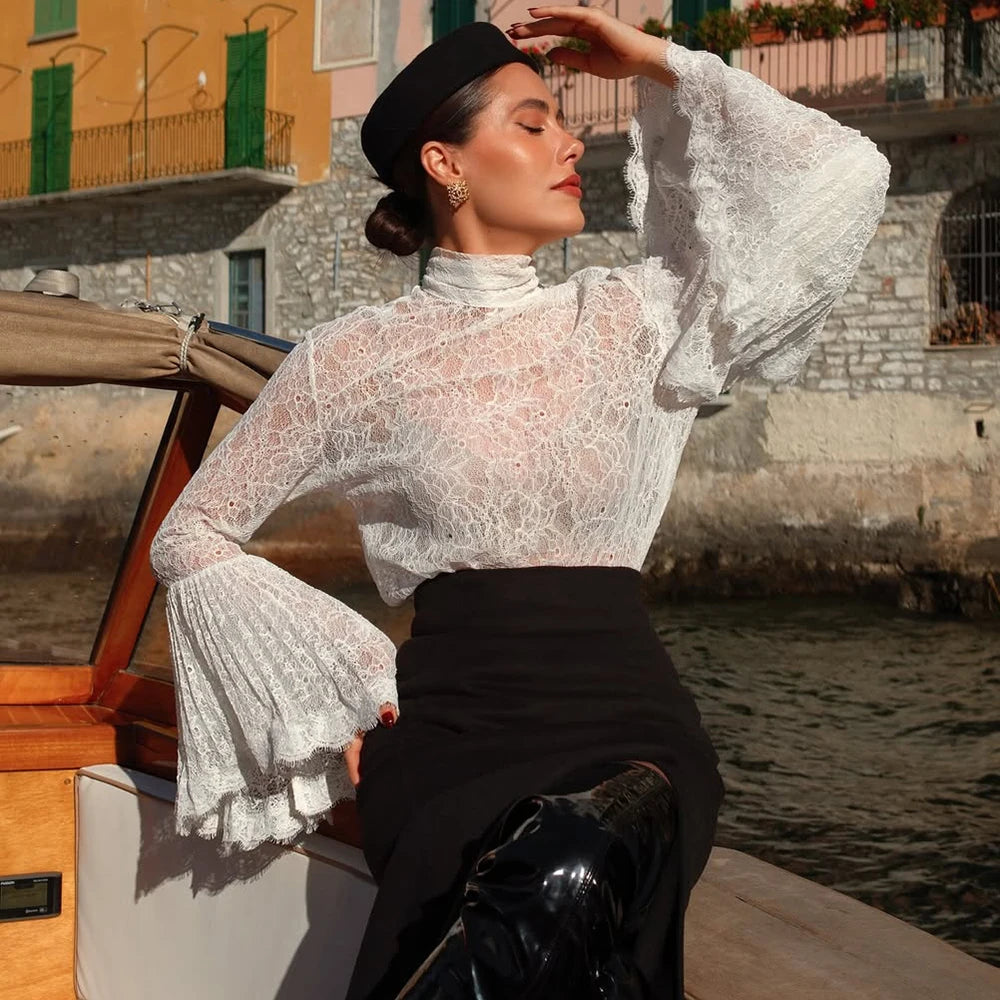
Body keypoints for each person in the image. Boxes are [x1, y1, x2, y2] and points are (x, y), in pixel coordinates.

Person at [148, 6, 890, 999]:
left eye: (560, 121)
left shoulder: (636, 317)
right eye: (531, 122)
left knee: (578, 860)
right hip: (448, 735)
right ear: (445, 163)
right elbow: (192, 536)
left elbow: (844, 176)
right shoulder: (351, 360)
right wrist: (351, 684)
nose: (570, 142)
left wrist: (656, 63)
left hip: (628, 723)